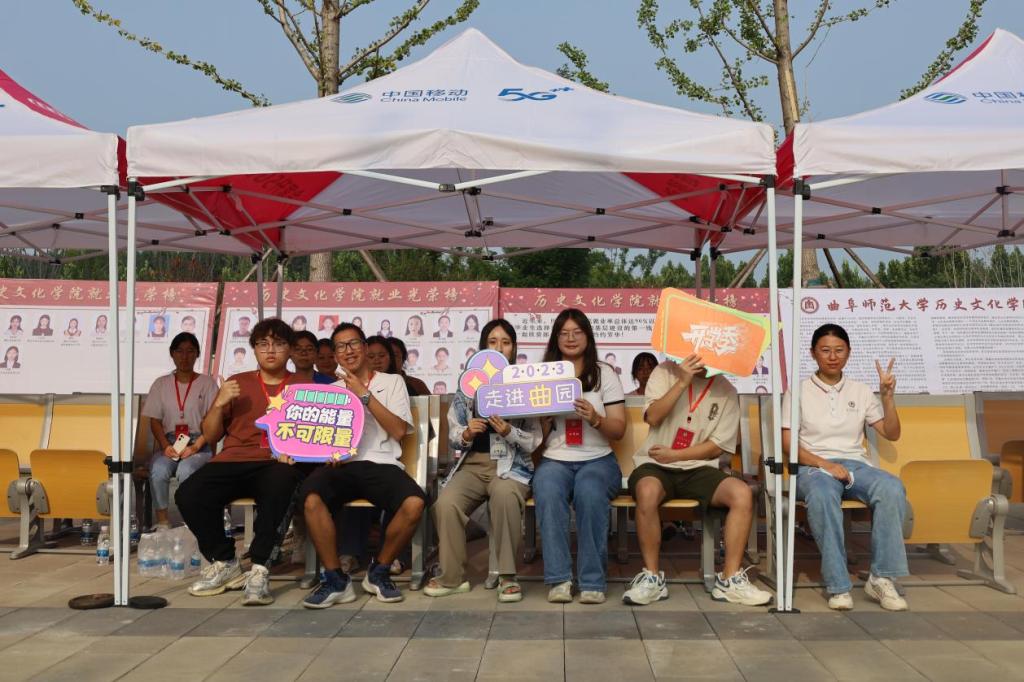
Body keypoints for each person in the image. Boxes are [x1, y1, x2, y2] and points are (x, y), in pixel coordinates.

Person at [622, 355, 772, 607]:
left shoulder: (726, 390)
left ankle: (729, 579)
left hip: (699, 467)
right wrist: (682, 382)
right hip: (655, 464)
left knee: (742, 493)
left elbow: (716, 447)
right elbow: (653, 417)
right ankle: (652, 578)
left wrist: (676, 455)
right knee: (647, 491)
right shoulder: (664, 372)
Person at [176, 319, 307, 606]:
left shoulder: (303, 385)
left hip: (276, 462)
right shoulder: (237, 383)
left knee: (282, 483)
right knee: (188, 493)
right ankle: (225, 561)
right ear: (254, 349)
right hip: (233, 459)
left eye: (278, 344)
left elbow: (315, 436)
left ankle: (260, 568)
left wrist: (296, 451)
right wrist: (220, 402)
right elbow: (212, 435)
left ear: (290, 349)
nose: (270, 350)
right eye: (263, 344)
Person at [300, 323, 426, 607]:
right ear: (335, 355)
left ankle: (379, 571)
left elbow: (398, 431)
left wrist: (364, 394)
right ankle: (335, 579)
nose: (348, 351)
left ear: (365, 347)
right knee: (310, 497)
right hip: (343, 467)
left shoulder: (392, 382)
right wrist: (326, 452)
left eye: (354, 343)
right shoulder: (331, 391)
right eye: (341, 346)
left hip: (382, 464)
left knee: (415, 503)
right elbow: (323, 439)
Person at [783, 323, 907, 612]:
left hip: (855, 465)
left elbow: (892, 433)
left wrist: (887, 397)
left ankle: (881, 578)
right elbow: (788, 444)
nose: (832, 356)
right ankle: (838, 585)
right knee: (823, 494)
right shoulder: (798, 391)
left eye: (839, 350)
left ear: (849, 353)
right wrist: (824, 464)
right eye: (825, 350)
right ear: (813, 353)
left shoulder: (861, 391)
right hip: (812, 467)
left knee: (891, 486)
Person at [426, 319, 541, 602]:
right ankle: (452, 577)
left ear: (514, 348)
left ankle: (507, 577)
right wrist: (466, 433)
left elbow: (534, 440)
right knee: (446, 504)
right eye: (492, 342)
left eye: (506, 342)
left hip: (511, 466)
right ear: (482, 347)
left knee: (504, 497)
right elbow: (455, 434)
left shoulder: (524, 386)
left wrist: (509, 431)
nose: (499, 348)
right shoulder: (468, 385)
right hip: (472, 465)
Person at [533, 309, 625, 604]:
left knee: (590, 491)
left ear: (588, 336)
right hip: (555, 459)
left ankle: (592, 582)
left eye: (577, 332)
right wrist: (544, 419)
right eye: (564, 333)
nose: (570, 338)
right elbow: (534, 437)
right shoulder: (543, 373)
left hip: (598, 459)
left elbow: (619, 429)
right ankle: (559, 579)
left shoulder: (604, 373)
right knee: (546, 488)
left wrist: (596, 418)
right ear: (555, 338)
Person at [138, 332, 218, 528]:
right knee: (158, 469)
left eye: (190, 351)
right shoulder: (161, 384)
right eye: (180, 351)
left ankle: (190, 521)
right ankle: (162, 522)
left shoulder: (207, 383)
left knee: (186, 470)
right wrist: (165, 446)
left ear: (197, 354)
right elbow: (155, 421)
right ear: (172, 354)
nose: (185, 356)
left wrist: (196, 447)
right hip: (170, 443)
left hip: (200, 443)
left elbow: (214, 421)